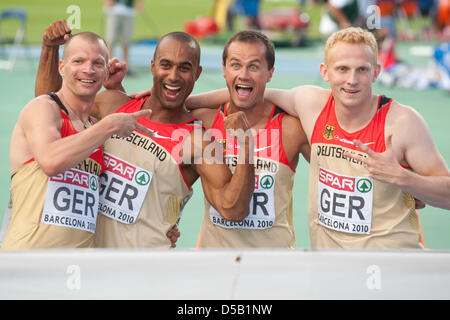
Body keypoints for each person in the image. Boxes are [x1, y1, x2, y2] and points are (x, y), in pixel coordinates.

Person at [188, 27, 450, 249]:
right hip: (330, 270)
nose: (352, 80)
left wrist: (403, 178)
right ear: (325, 72)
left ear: (376, 72)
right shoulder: (312, 105)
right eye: (343, 69)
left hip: (392, 267)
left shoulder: (402, 122)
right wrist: (178, 102)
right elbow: (251, 91)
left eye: (362, 70)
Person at [34, 21, 256, 249]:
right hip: (91, 261)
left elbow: (234, 210)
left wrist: (246, 148)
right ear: (152, 66)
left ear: (197, 73)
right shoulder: (113, 104)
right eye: (166, 65)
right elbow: (48, 111)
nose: (173, 76)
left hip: (147, 268)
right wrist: (50, 49)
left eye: (184, 68)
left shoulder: (196, 141)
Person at [139, 31, 308, 247]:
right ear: (224, 70)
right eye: (236, 65)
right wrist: (166, 221)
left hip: (273, 267)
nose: (244, 75)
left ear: (270, 73)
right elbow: (155, 169)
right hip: (215, 265)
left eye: (254, 67)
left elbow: (335, 165)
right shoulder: (204, 122)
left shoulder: (290, 128)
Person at [1, 30, 152, 250]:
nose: (88, 69)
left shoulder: (94, 127)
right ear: (62, 67)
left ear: (105, 71)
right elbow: (51, 161)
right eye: (78, 61)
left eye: (98, 64)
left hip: (79, 266)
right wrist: (109, 125)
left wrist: (117, 91)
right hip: (29, 264)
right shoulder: (42, 109)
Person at [104, 0, 144, 75]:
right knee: (111, 40)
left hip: (128, 12)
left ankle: (126, 66)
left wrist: (139, 4)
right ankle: (108, 66)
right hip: (113, 11)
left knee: (126, 40)